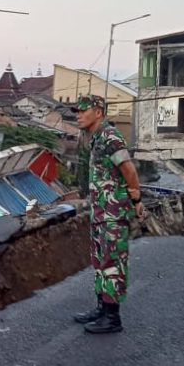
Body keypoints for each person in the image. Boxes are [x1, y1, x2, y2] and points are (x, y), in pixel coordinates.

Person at [72, 95, 145, 334]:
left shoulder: (110, 136)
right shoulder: (96, 138)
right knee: (101, 261)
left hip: (113, 212)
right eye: (77, 111)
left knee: (112, 261)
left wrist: (136, 199)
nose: (78, 115)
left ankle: (112, 317)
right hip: (101, 212)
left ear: (98, 112)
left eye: (83, 111)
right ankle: (102, 307)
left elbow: (128, 169)